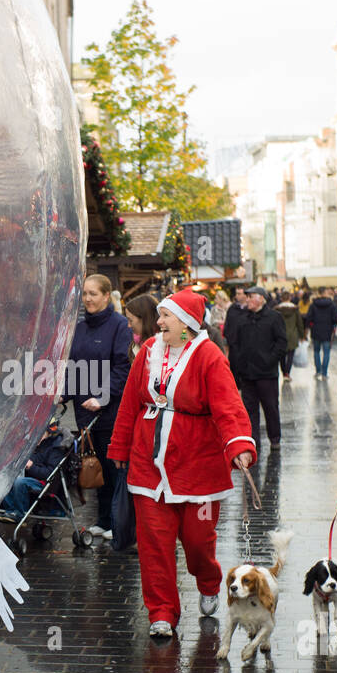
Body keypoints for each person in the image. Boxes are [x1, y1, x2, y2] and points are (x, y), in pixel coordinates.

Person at [108, 289, 256, 639]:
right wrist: (119, 447)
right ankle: (161, 612)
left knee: (197, 539)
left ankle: (207, 580)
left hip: (197, 468)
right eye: (159, 316)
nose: (157, 323)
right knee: (154, 544)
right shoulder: (147, 352)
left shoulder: (209, 357)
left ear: (186, 324)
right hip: (148, 466)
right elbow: (131, 401)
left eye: (166, 317)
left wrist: (238, 444)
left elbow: (228, 405)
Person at [64, 273, 132, 540]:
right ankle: (104, 520)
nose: (88, 299)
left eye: (93, 294)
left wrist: (102, 397)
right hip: (84, 414)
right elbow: (73, 369)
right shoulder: (79, 328)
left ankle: (119, 523)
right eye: (84, 294)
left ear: (107, 295)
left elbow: (122, 367)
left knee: (114, 471)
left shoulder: (120, 326)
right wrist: (62, 396)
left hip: (109, 413)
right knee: (95, 469)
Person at [227, 286, 287, 450]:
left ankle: (275, 438)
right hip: (247, 374)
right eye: (246, 297)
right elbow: (235, 343)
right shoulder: (242, 319)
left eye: (251, 296)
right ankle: (253, 440)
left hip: (267, 374)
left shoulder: (274, 317)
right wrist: (238, 365)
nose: (247, 300)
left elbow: (282, 343)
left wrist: (270, 360)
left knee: (271, 407)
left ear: (261, 298)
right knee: (249, 410)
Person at [305, 287, 337, 380]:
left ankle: (318, 371)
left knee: (316, 351)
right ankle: (324, 374)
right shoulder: (332, 305)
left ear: (318, 293)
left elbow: (308, 318)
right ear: (326, 293)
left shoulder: (313, 304)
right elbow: (336, 319)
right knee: (326, 352)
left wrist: (310, 326)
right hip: (327, 331)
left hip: (316, 330)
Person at [274, 292, 305, 381]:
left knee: (282, 356)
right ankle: (287, 373)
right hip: (293, 335)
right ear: (290, 298)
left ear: (281, 299)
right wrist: (302, 335)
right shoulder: (295, 309)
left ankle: (284, 372)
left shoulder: (277, 309)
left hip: (280, 336)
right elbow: (299, 323)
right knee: (290, 355)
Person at [124, 293, 159, 363]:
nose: (129, 325)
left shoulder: (165, 345)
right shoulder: (135, 345)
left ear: (144, 319)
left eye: (130, 320)